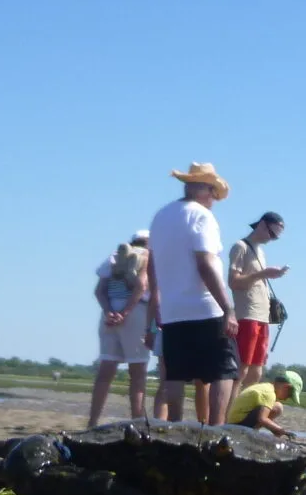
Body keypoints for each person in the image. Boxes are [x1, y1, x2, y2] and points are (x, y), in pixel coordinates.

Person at [146, 163, 240, 423]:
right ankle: (215, 429)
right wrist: (227, 308)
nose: (214, 200)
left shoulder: (161, 216)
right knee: (223, 369)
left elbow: (152, 267)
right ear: (203, 189)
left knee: (175, 373)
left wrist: (156, 306)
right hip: (204, 305)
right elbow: (205, 262)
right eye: (213, 193)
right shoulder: (202, 216)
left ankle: (175, 427)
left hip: (173, 310)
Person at [88, 230, 150, 426]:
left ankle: (93, 421)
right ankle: (138, 422)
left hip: (109, 312)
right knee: (138, 373)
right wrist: (126, 312)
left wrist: (109, 311)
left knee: (105, 371)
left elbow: (99, 291)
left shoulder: (113, 258)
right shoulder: (147, 256)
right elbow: (141, 286)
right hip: (136, 312)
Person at [226, 211, 288, 394]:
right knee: (242, 368)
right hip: (246, 315)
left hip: (262, 316)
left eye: (275, 237)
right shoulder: (240, 247)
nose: (272, 239)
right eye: (272, 234)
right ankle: (229, 415)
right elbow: (233, 282)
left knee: (256, 370)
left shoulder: (260, 251)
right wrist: (263, 274)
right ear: (261, 225)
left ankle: (243, 414)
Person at [228, 369, 305, 438]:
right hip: (237, 426)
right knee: (278, 407)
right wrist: (280, 430)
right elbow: (262, 419)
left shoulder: (266, 387)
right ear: (286, 387)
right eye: (289, 395)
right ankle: (250, 434)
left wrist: (274, 430)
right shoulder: (269, 393)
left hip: (234, 422)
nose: (286, 399)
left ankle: (252, 432)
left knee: (274, 406)